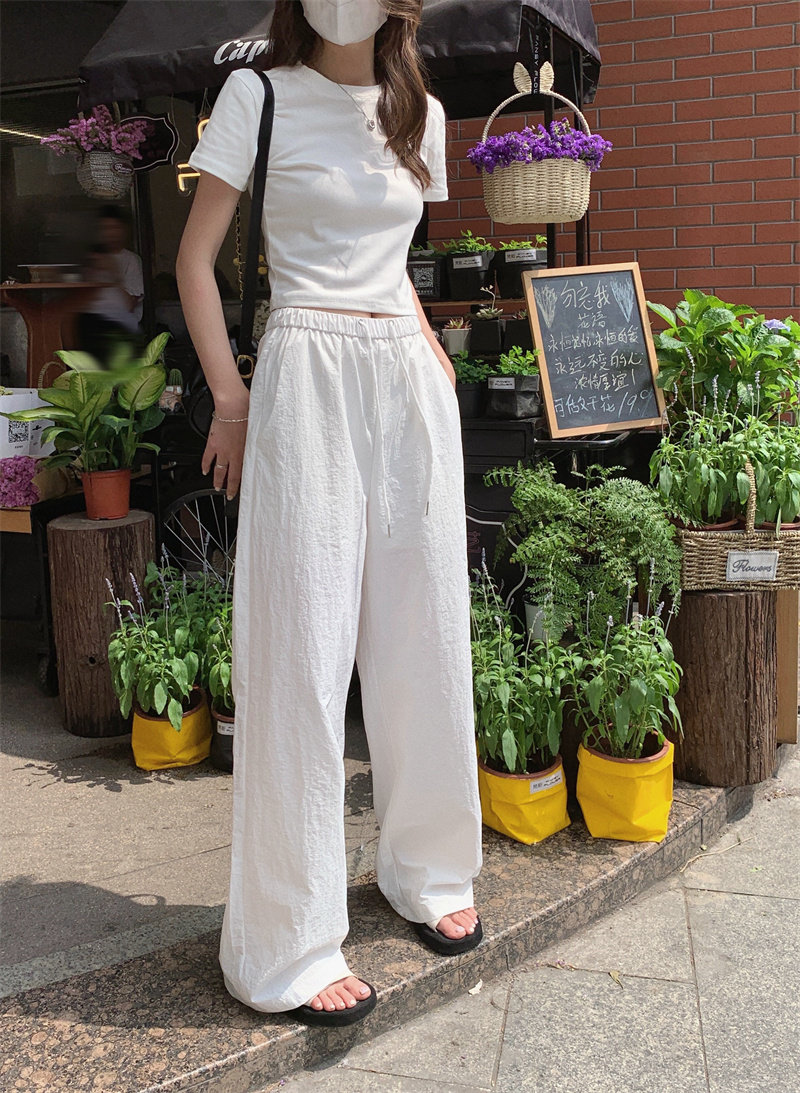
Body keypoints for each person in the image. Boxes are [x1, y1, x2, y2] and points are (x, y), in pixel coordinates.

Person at [176, 0, 483, 1028]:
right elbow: (194, 260)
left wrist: (426, 347)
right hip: (304, 368)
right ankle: (288, 937)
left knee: (425, 635)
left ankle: (428, 869)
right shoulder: (258, 95)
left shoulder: (421, 114)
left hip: (405, 381)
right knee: (300, 655)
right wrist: (230, 400)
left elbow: (392, 262)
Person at [78, 207, 144, 362]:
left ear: (124, 230)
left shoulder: (131, 260)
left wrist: (112, 273)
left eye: (114, 228)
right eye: (105, 228)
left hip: (120, 329)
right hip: (91, 327)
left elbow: (129, 304)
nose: (110, 233)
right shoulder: (92, 259)